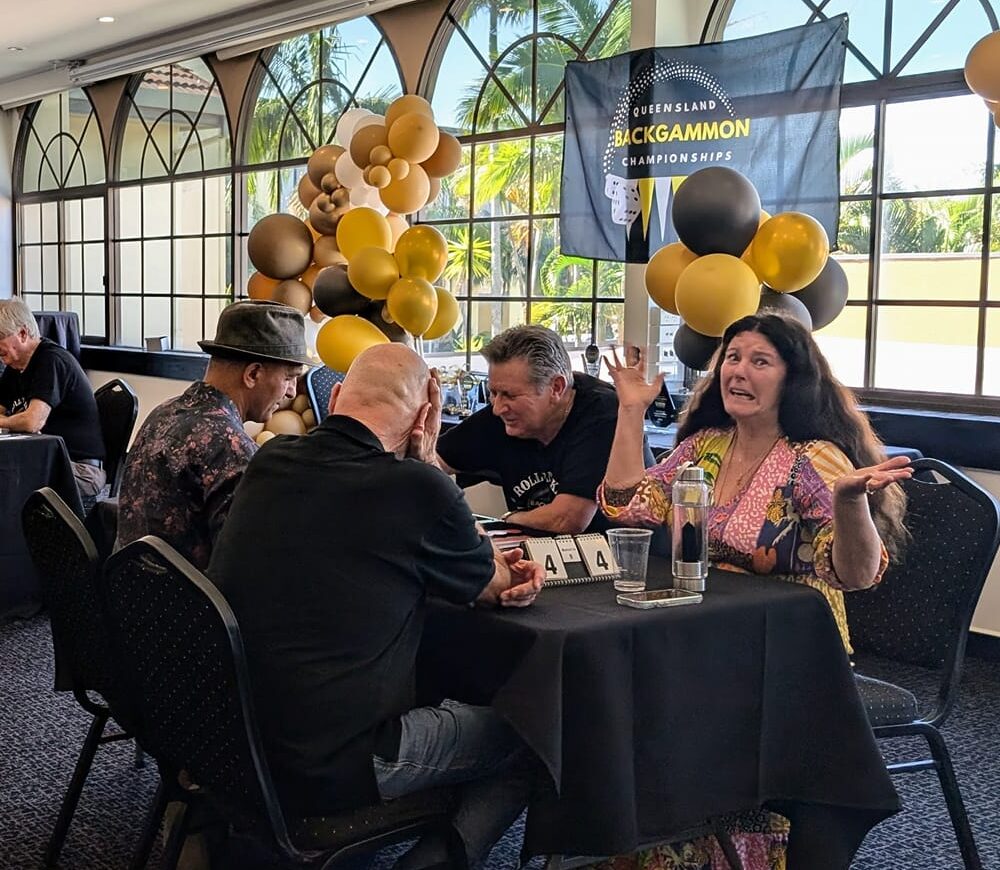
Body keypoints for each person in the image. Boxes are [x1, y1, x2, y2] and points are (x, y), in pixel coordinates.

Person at [208, 343, 545, 869]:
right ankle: (438, 859)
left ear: (337, 396)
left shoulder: (270, 461)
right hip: (339, 759)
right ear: (426, 417)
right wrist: (429, 465)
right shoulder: (417, 488)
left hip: (236, 737)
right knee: (541, 727)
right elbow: (495, 586)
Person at [595, 312, 910, 870]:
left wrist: (849, 502)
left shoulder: (812, 460)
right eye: (732, 358)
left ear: (792, 378)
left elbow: (858, 573)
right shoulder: (705, 448)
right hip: (704, 637)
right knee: (616, 687)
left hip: (790, 654)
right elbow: (626, 503)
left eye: (759, 361)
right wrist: (630, 410)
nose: (739, 371)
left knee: (653, 701)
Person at [115, 300, 309, 570]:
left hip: (128, 594)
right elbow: (244, 565)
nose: (290, 392)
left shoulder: (163, 411)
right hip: (186, 606)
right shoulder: (228, 445)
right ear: (252, 374)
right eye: (289, 377)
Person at [437, 324, 652, 534]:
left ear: (556, 388)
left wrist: (505, 522)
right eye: (493, 393)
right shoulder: (505, 414)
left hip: (632, 559)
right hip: (541, 558)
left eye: (510, 395)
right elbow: (435, 461)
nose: (498, 408)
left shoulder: (604, 415)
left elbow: (567, 519)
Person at [0, 298, 106, 500]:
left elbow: (32, 422)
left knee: (8, 481)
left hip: (79, 469)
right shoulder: (15, 366)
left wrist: (3, 422)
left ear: (22, 334)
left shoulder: (51, 360)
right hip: (45, 459)